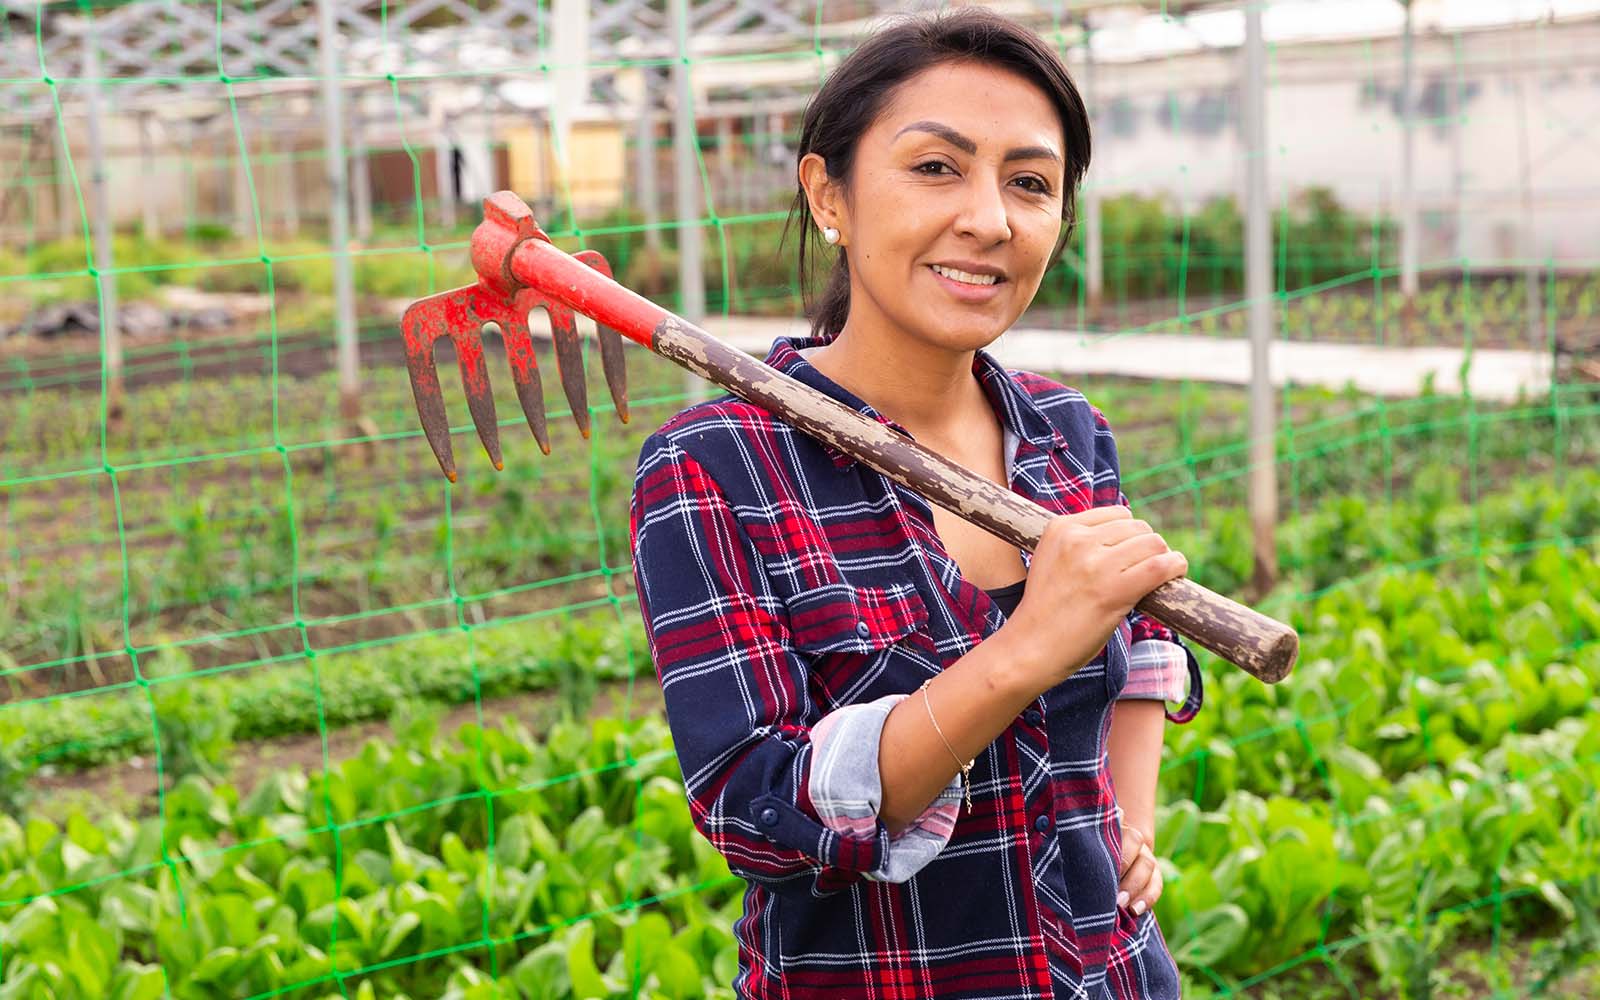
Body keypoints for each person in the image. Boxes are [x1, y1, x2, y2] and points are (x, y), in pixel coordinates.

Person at [628, 8, 1204, 998]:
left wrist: (1131, 818)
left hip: (1106, 972)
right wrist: (1023, 652)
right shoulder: (716, 466)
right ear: (829, 194)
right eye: (936, 167)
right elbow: (755, 804)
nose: (990, 218)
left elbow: (1145, 639)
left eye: (1029, 182)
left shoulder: (1067, 432)